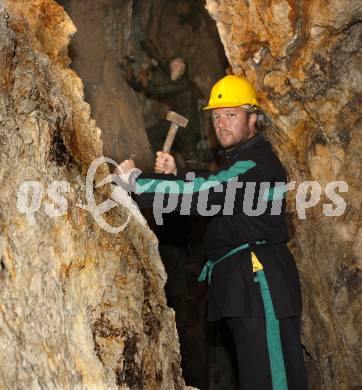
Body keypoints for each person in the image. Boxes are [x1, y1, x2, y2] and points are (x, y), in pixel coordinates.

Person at [117, 75, 309, 390]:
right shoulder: (242, 162)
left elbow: (208, 193)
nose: (221, 123)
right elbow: (214, 181)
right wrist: (176, 173)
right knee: (256, 375)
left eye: (231, 115)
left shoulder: (257, 163)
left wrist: (137, 181)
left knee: (273, 379)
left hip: (259, 280)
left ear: (253, 119)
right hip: (244, 281)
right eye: (216, 117)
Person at [125, 40, 202, 160]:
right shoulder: (183, 81)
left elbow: (158, 90)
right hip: (186, 128)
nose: (172, 68)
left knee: (152, 133)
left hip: (184, 129)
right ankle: (170, 159)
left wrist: (144, 82)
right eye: (173, 66)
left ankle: (162, 160)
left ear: (182, 69)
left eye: (175, 67)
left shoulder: (183, 86)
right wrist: (149, 48)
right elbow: (164, 64)